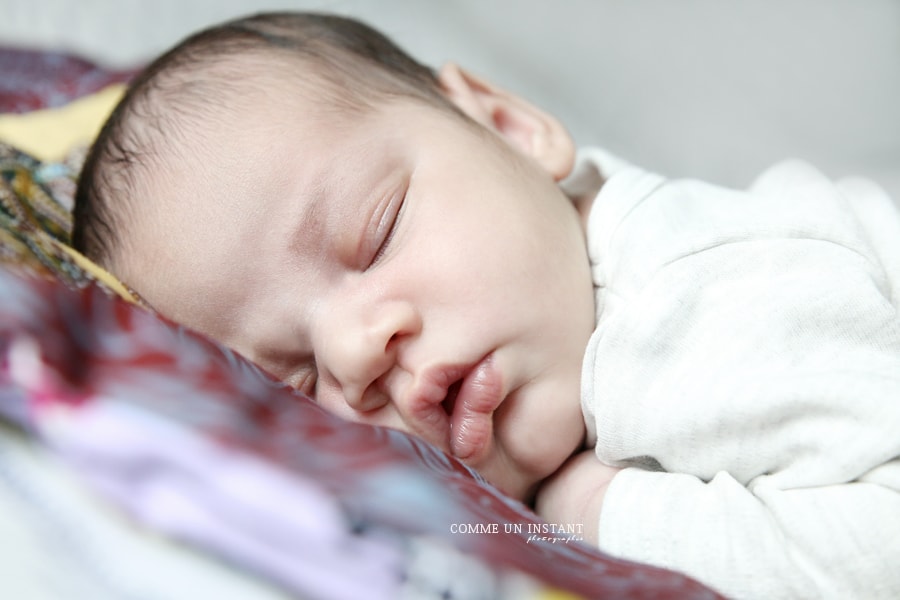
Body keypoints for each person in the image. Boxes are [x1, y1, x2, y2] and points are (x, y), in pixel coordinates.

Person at [72, 11, 900, 599]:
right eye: (293, 381)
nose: (358, 353)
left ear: (508, 126)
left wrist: (595, 510)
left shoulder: (694, 302)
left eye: (378, 231)